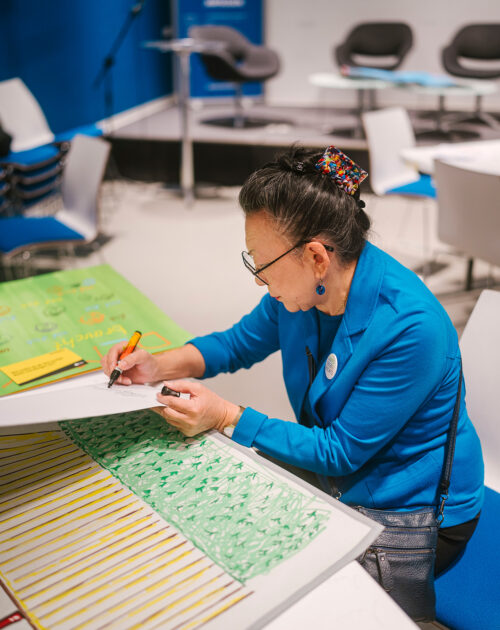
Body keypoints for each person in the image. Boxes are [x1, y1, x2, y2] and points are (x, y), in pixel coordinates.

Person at [101, 145, 483, 575]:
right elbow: (235, 344)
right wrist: (157, 367)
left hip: (413, 513)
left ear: (317, 257)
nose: (261, 280)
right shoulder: (303, 292)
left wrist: (226, 414)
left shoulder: (411, 327)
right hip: (342, 481)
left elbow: (340, 452)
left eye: (263, 265)